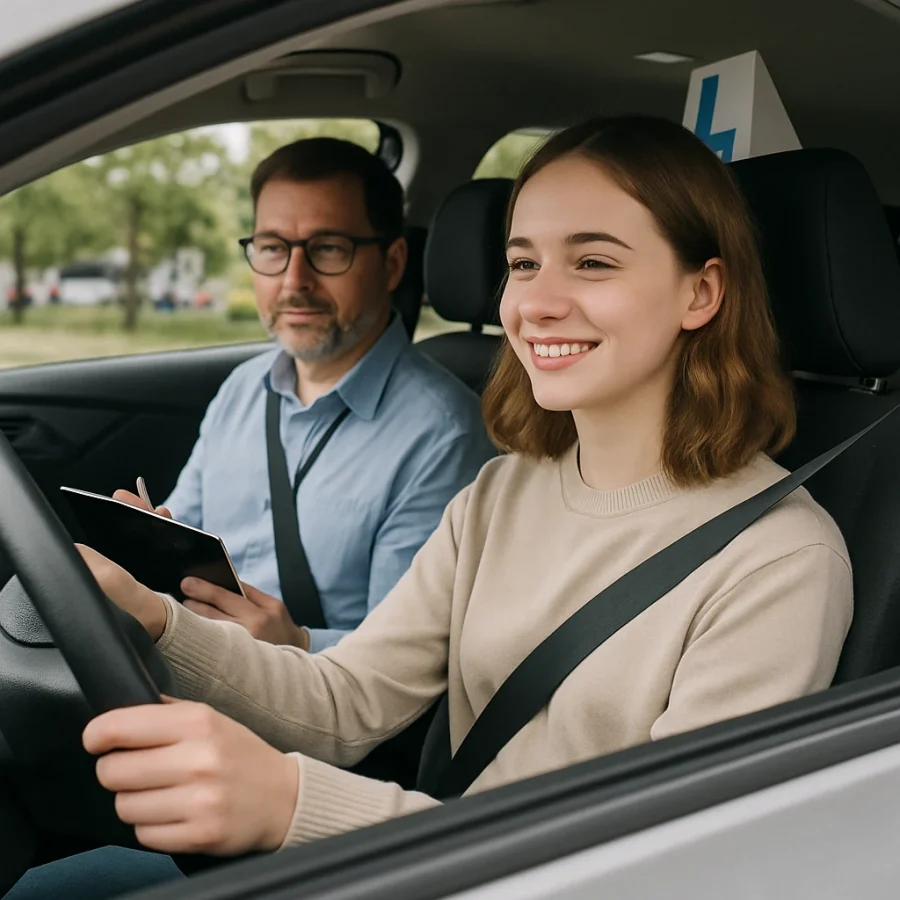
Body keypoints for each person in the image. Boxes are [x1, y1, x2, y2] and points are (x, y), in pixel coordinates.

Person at [77, 115, 852, 860]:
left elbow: (664, 862)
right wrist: (155, 620)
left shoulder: (778, 560)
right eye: (523, 263)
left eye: (593, 261)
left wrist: (290, 803)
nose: (537, 302)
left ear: (700, 293)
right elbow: (345, 700)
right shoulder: (500, 494)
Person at [116, 137, 496, 652]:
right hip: (190, 660)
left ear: (392, 263)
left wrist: (295, 644)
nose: (295, 280)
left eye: (328, 249)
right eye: (273, 248)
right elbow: (186, 532)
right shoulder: (243, 389)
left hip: (306, 713)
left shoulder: (444, 435)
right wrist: (149, 543)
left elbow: (405, 658)